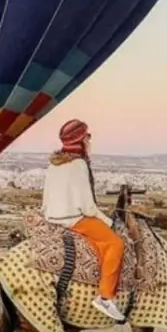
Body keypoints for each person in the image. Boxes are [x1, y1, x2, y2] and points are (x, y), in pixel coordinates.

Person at [41, 119, 126, 321]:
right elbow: (88, 207)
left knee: (99, 244)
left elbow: (45, 199)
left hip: (52, 217)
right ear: (81, 139)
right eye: (87, 136)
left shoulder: (54, 164)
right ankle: (105, 297)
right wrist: (108, 222)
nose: (89, 140)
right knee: (116, 243)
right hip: (75, 219)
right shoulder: (78, 164)